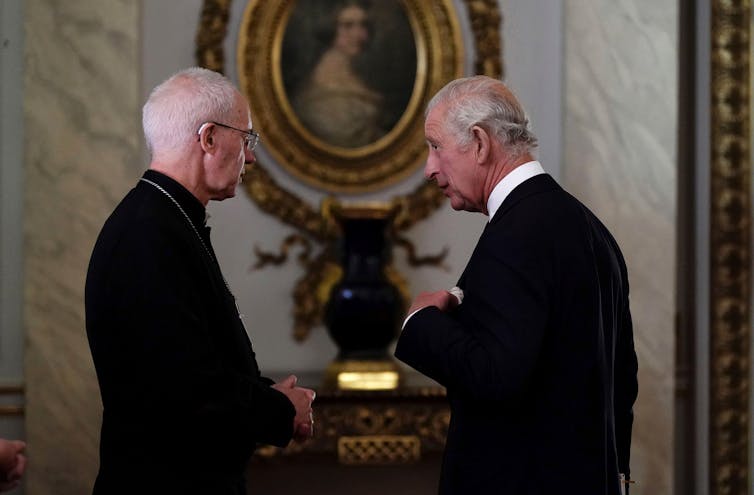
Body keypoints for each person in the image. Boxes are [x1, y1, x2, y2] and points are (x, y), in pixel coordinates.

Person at [394, 76, 639, 495]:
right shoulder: (588, 226)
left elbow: (495, 376)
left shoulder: (517, 234)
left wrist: (420, 322)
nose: (429, 169)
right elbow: (624, 381)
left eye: (435, 146)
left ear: (479, 143)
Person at [85, 67, 315, 495]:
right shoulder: (148, 234)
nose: (251, 156)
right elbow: (184, 389)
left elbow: (195, 354)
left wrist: (265, 397)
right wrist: (279, 410)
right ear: (208, 138)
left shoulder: (163, 219)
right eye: (246, 139)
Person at [291, 0, 385, 147]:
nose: (358, 34)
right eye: (348, 25)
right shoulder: (324, 80)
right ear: (330, 28)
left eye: (363, 25)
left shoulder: (352, 71)